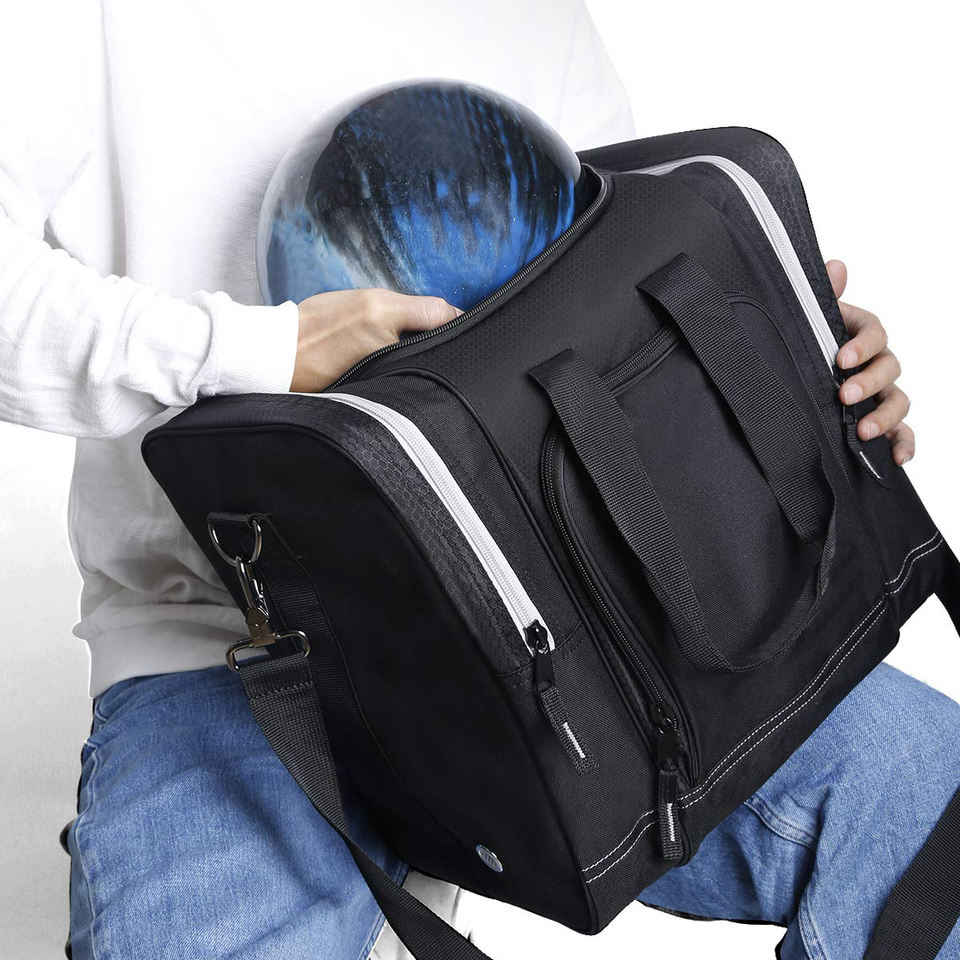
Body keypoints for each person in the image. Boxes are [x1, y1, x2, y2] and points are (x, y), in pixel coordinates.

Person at [0, 3, 954, 959]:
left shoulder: (535, 23)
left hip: (560, 623)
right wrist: (260, 349)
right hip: (230, 652)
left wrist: (797, 364)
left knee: (930, 799)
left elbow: (614, 312)